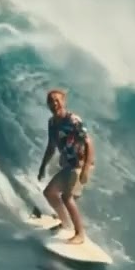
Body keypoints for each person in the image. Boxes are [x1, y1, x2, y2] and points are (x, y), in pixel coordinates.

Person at [37, 88, 95, 244]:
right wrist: (43, 166)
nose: (54, 103)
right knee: (49, 192)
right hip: (69, 165)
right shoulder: (52, 123)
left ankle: (80, 234)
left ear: (63, 101)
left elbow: (89, 144)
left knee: (66, 197)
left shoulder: (73, 121)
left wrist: (85, 170)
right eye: (51, 101)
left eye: (57, 100)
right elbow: (51, 147)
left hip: (80, 164)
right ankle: (65, 223)